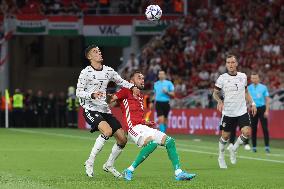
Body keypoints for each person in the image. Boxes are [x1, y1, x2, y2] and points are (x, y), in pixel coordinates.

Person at [108, 70, 196, 181]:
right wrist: (104, 97)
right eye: (139, 78)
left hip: (143, 126)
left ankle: (178, 173)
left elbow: (137, 116)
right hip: (133, 128)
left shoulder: (140, 96)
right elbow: (112, 100)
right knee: (152, 143)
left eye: (143, 78)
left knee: (170, 141)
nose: (142, 80)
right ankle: (129, 170)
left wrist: (146, 122)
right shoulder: (125, 91)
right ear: (131, 81)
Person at [76, 44, 139, 178]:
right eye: (95, 51)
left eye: (99, 51)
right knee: (107, 131)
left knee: (123, 139)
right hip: (90, 108)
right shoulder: (85, 72)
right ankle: (90, 161)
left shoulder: (108, 71)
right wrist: (92, 95)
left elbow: (121, 82)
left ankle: (109, 164)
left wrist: (132, 86)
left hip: (104, 109)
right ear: (89, 56)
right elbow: (78, 92)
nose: (99, 53)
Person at [213, 54, 257, 169]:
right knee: (225, 137)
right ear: (226, 64)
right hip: (228, 112)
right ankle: (221, 156)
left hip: (242, 111)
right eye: (228, 62)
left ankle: (234, 148)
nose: (231, 65)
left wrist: (252, 103)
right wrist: (219, 101)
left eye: (233, 62)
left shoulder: (243, 76)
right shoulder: (222, 78)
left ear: (236, 64)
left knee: (247, 132)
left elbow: (246, 92)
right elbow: (215, 93)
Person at [248, 73, 270, 153]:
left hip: (262, 108)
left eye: (256, 78)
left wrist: (267, 111)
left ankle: (267, 147)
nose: (254, 79)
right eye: (253, 78)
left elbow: (267, 99)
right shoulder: (249, 88)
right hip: (253, 109)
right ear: (251, 79)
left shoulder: (263, 87)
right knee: (253, 128)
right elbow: (246, 98)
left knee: (265, 128)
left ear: (258, 79)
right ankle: (254, 147)